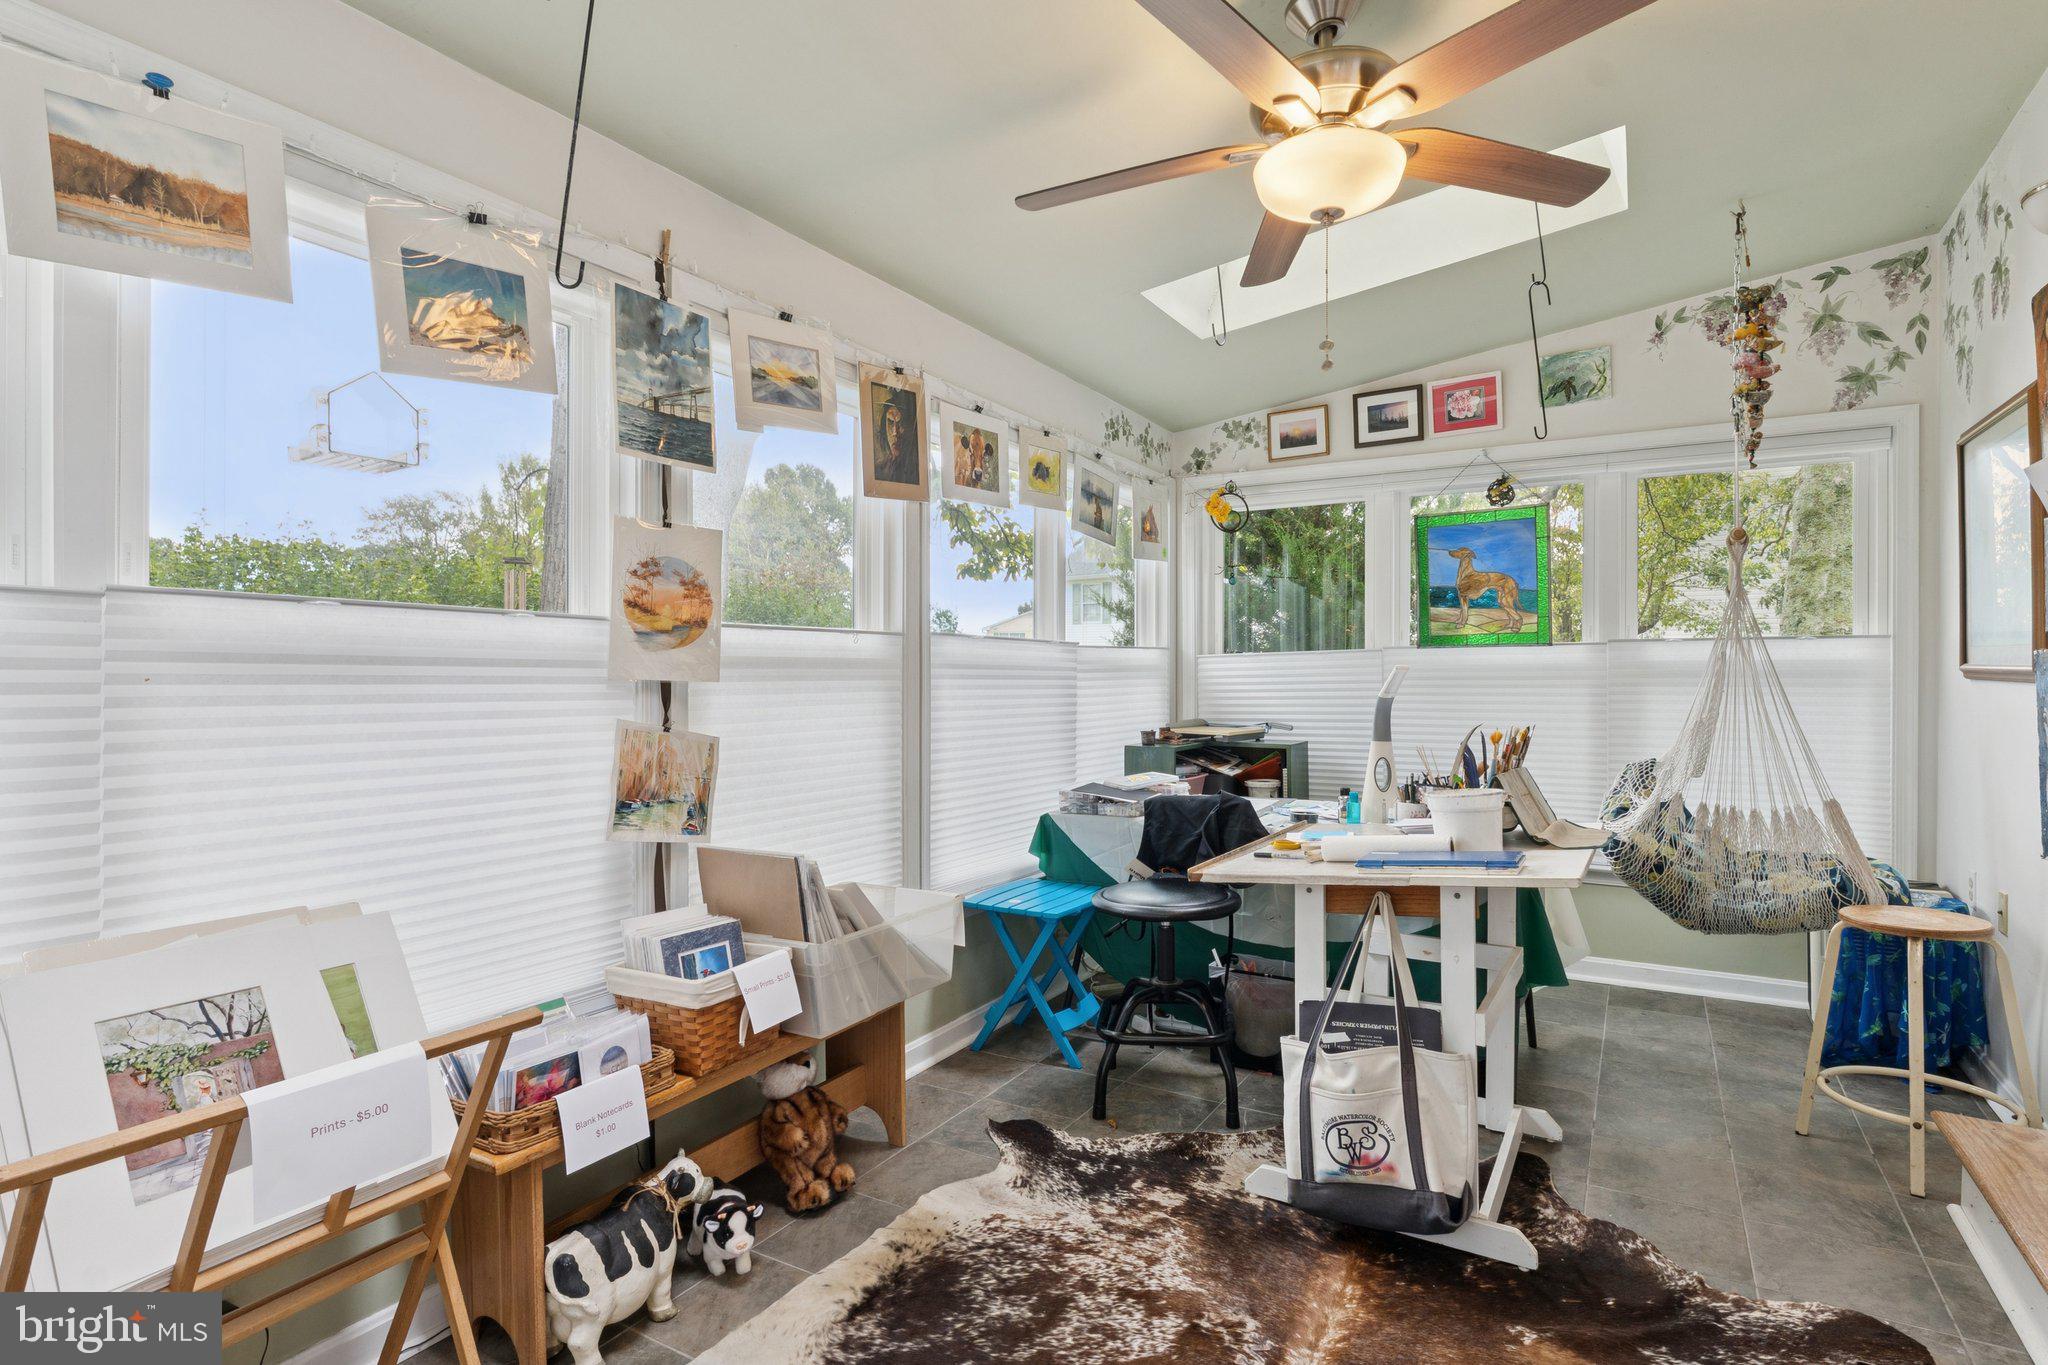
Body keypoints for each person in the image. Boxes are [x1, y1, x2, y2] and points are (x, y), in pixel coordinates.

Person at [871, 385, 921, 487]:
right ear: (884, 427)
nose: (895, 432)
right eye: (890, 422)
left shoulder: (916, 471)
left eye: (900, 423)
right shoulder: (878, 469)